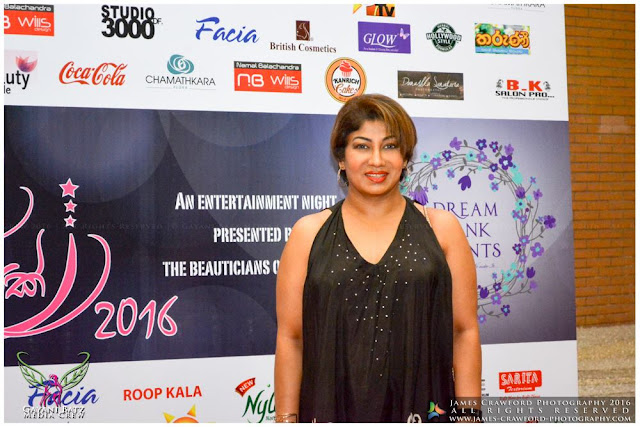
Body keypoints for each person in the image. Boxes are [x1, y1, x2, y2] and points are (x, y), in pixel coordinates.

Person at [274, 94, 481, 423]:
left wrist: (469, 416)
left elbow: (464, 332)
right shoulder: (308, 233)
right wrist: (286, 419)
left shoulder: (441, 228)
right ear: (341, 158)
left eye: (389, 146)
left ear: (405, 157)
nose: (376, 160)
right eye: (361, 146)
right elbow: (291, 338)